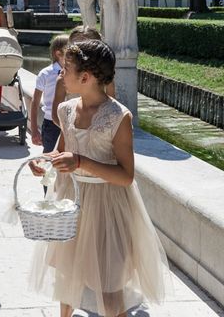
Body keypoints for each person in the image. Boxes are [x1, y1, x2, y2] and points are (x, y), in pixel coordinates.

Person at [29, 40, 167, 317]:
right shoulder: (65, 110)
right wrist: (46, 161)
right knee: (67, 275)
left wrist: (81, 162)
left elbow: (126, 176)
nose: (60, 75)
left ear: (85, 77)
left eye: (65, 69)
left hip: (108, 207)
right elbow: (63, 150)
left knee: (108, 285)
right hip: (71, 202)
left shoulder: (119, 117)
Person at [51, 26, 115, 128]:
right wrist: (70, 132)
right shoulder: (63, 80)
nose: (82, 52)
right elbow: (55, 114)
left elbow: (111, 107)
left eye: (86, 46)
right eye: (77, 46)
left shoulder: (105, 79)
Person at [30, 34, 68, 153]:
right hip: (51, 124)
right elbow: (35, 102)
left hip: (70, 123)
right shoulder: (45, 74)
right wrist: (34, 130)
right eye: (70, 48)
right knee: (49, 158)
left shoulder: (76, 73)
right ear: (58, 53)